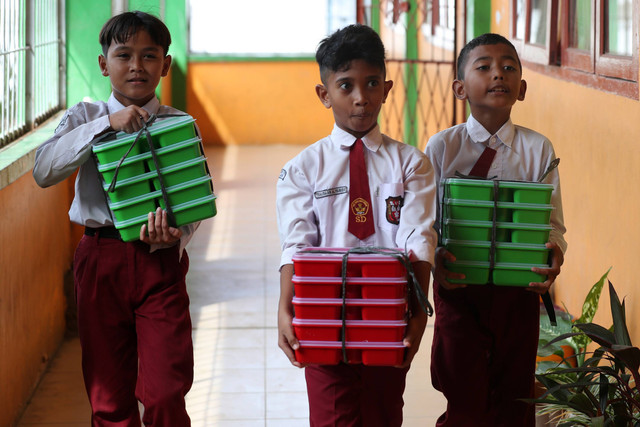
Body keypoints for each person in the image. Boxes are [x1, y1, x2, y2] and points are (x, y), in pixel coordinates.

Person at [33, 11, 198, 426]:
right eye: (124, 55)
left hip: (159, 263)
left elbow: (193, 200)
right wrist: (106, 125)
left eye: (149, 56)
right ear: (105, 64)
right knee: (109, 399)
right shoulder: (84, 117)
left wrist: (174, 234)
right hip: (99, 260)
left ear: (165, 64)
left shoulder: (180, 124)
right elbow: (44, 170)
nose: (137, 66)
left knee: (165, 393)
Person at [276, 24, 438, 427]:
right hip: (323, 315)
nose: (361, 98)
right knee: (331, 418)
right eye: (345, 86)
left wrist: (418, 317)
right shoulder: (302, 170)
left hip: (388, 317)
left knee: (384, 414)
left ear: (387, 87)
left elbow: (419, 239)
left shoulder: (412, 164)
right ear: (324, 94)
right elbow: (296, 245)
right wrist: (285, 309)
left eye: (370, 84)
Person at [424, 33, 568, 426]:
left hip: (517, 293)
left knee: (515, 394)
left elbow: (553, 224)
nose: (498, 74)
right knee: (461, 388)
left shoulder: (538, 149)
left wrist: (554, 252)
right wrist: (435, 259)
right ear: (459, 88)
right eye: (483, 66)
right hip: (459, 288)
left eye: (508, 67)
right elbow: (426, 221)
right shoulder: (442, 148)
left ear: (521, 88)